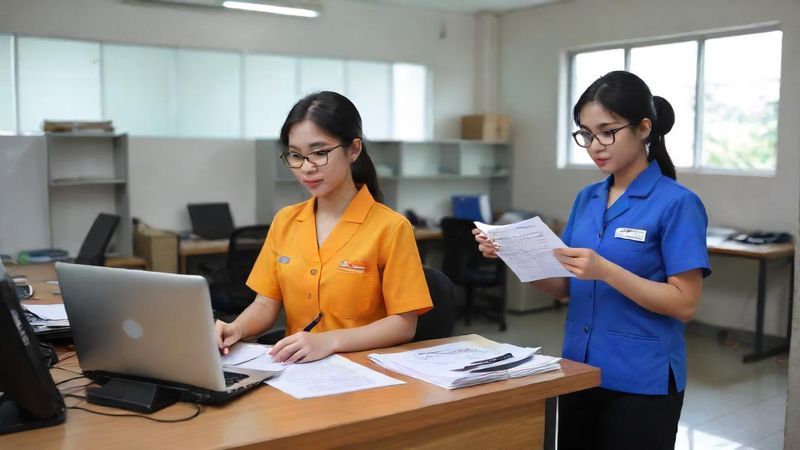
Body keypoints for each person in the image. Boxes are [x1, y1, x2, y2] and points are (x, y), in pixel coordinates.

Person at [475, 71, 710, 449]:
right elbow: (566, 286)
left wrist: (607, 271)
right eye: (585, 133)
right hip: (579, 370)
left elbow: (685, 303)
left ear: (643, 128)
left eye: (607, 131)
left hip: (641, 380)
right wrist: (510, 252)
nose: (595, 145)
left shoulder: (677, 203)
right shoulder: (587, 198)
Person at [216, 91, 432, 364]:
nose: (306, 168)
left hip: (366, 371)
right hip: (297, 371)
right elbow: (264, 304)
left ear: (353, 150)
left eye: (319, 153)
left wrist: (330, 341)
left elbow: (404, 324)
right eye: (296, 156)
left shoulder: (391, 228)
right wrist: (237, 328)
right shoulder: (285, 221)